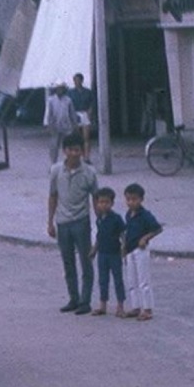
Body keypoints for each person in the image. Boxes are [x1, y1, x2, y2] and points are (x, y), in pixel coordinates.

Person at [48, 132, 98, 315]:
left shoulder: (89, 173)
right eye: (71, 150)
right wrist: (50, 222)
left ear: (82, 151)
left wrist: (99, 222)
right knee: (67, 262)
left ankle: (85, 300)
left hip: (81, 222)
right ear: (65, 151)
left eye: (78, 150)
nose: (75, 154)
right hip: (62, 222)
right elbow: (52, 196)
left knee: (86, 262)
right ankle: (73, 298)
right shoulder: (55, 171)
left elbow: (96, 197)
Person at [121, 182, 163, 321]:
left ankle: (147, 309)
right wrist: (124, 247)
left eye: (134, 199)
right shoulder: (128, 214)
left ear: (141, 199)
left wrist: (145, 237)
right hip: (130, 250)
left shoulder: (145, 215)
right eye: (128, 199)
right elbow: (126, 232)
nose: (131, 202)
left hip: (140, 249)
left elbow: (157, 228)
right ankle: (136, 307)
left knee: (143, 280)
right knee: (132, 280)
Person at [89, 187, 127, 317]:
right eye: (100, 202)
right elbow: (100, 236)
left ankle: (120, 306)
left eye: (106, 202)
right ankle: (102, 306)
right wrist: (94, 249)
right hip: (102, 254)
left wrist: (124, 248)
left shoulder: (116, 218)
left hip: (114, 253)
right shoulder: (99, 219)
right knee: (103, 280)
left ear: (112, 203)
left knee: (118, 280)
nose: (103, 205)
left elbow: (123, 234)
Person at [45, 82, 79, 165]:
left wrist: (75, 124)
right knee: (54, 146)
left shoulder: (68, 100)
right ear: (55, 90)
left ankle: (69, 162)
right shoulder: (51, 100)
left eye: (61, 89)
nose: (60, 90)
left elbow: (72, 113)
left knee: (68, 145)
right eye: (58, 88)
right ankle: (53, 163)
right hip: (55, 125)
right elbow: (48, 112)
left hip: (67, 126)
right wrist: (47, 124)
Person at [69, 73, 94, 160]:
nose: (76, 82)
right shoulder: (70, 92)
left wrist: (90, 112)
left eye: (78, 80)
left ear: (81, 81)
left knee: (86, 137)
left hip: (84, 113)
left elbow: (92, 103)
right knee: (77, 137)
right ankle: (78, 156)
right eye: (75, 80)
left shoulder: (87, 92)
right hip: (75, 114)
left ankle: (86, 157)